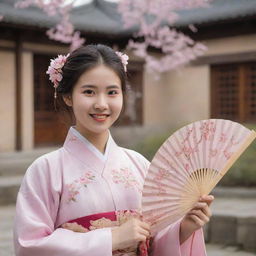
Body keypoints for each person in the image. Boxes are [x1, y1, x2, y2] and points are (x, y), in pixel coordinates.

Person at [13, 44, 214, 256]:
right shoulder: (45, 170)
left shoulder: (140, 164)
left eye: (112, 92)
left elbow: (153, 240)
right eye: (89, 92)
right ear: (68, 96)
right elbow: (29, 245)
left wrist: (183, 228)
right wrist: (111, 239)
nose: (101, 104)